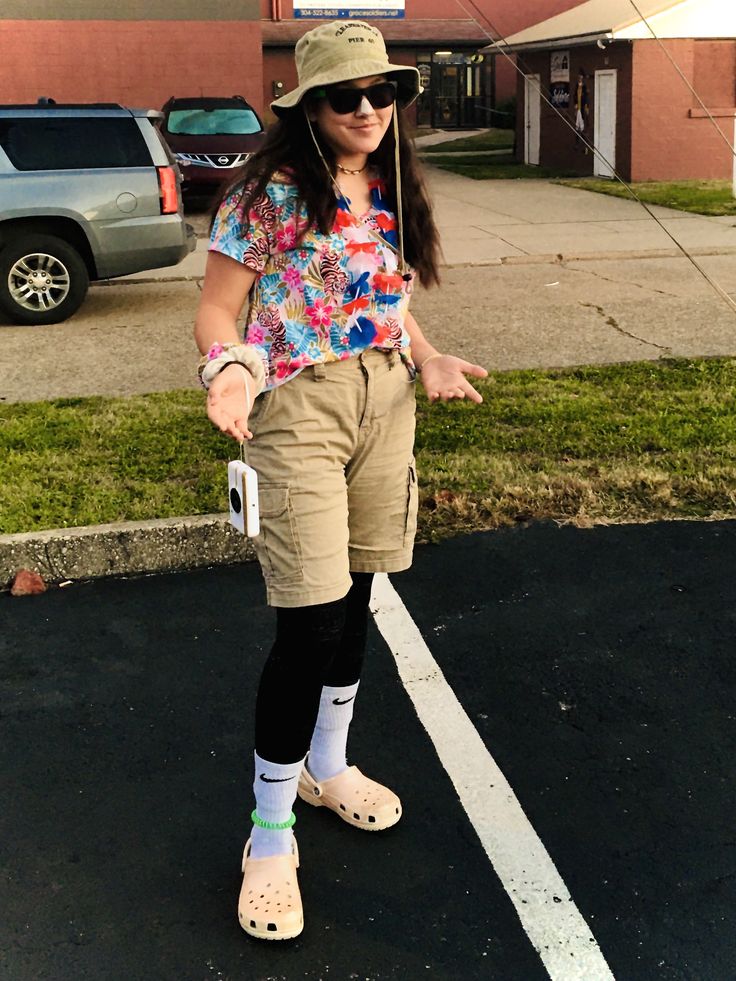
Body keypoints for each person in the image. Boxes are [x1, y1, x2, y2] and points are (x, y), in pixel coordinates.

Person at [193, 19, 487, 941]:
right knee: (309, 620)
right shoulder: (266, 191)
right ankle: (269, 834)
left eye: (382, 92)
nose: (367, 109)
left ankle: (329, 765)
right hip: (300, 411)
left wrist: (429, 356)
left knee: (357, 598)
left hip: (385, 402)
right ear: (309, 108)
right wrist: (227, 369)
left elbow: (384, 302)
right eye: (344, 96)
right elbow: (215, 306)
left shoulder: (393, 184)